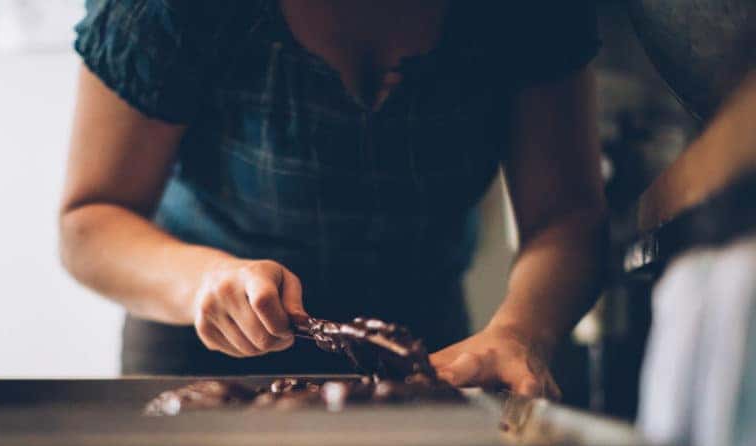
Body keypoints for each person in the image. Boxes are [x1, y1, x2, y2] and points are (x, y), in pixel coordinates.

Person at [60, 0, 607, 398]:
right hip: (200, 364)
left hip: (425, 359)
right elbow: (89, 224)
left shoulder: (532, 11)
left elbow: (568, 217)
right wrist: (204, 281)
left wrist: (519, 332)